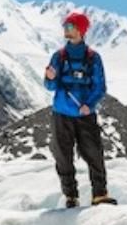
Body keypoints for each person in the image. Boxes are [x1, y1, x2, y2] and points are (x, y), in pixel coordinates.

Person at [43, 11, 113, 208]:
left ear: (81, 30)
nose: (66, 29)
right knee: (62, 155)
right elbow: (51, 86)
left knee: (94, 153)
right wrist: (49, 77)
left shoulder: (93, 58)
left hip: (84, 114)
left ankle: (99, 194)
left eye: (70, 26)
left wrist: (88, 105)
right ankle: (70, 196)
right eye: (65, 26)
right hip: (62, 113)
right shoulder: (59, 56)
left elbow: (100, 87)